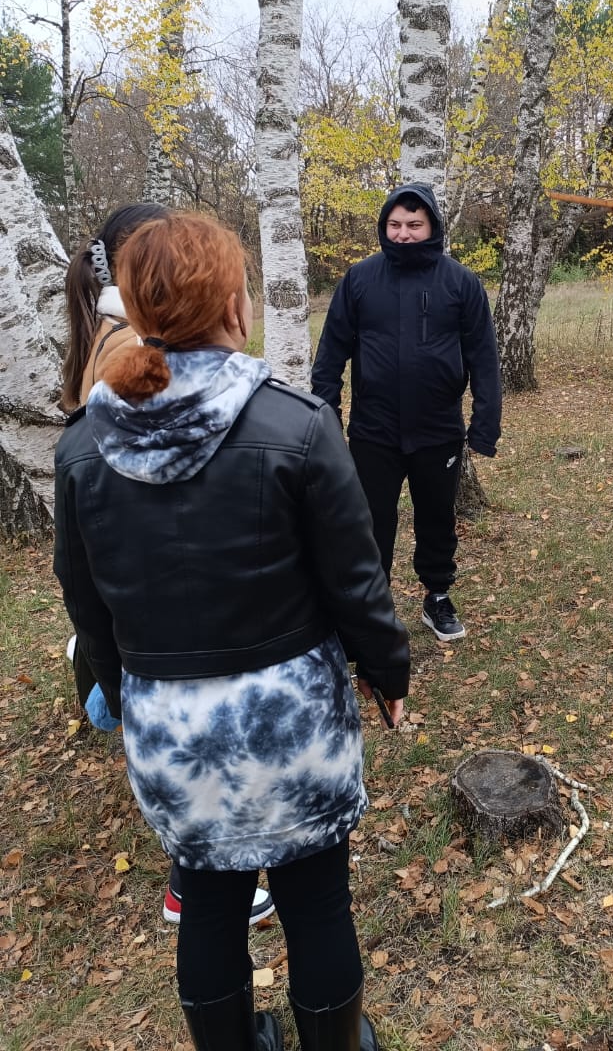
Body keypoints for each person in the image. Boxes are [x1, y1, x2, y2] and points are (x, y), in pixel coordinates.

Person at [54, 212, 410, 1051]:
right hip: (292, 723)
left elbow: (85, 604)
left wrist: (120, 690)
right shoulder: (297, 423)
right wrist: (388, 676)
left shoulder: (81, 445)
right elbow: (358, 585)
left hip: (173, 732)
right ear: (232, 303)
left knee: (208, 902)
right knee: (317, 902)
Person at [62, 204, 276, 925]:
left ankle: (206, 879)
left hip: (142, 623)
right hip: (175, 618)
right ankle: (205, 882)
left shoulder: (109, 333)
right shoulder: (129, 352)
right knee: (210, 753)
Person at [311, 184, 502, 642]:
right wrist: (326, 418)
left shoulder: (460, 282)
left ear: (432, 226)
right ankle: (372, 607)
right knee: (370, 522)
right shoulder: (359, 280)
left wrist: (485, 425)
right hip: (374, 431)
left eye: (414, 225)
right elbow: (331, 353)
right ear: (384, 227)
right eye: (395, 225)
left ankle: (437, 597)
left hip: (438, 429)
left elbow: (483, 357)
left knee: (436, 517)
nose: (403, 234)